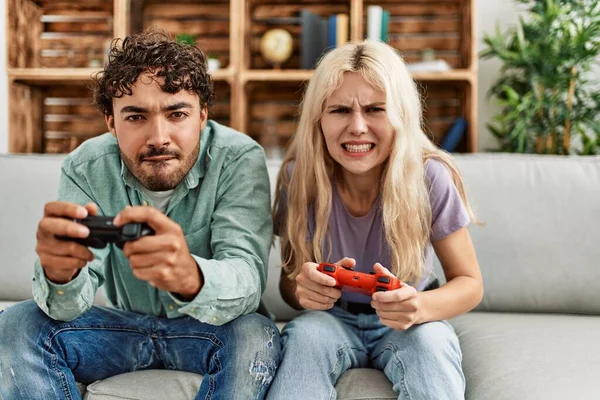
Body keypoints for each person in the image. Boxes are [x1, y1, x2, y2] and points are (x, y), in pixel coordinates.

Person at [0, 30, 280, 400]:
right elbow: (68, 306)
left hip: (213, 333)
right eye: (136, 117)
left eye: (177, 113)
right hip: (122, 331)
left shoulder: (238, 158)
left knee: (255, 334)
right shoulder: (85, 167)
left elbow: (247, 277)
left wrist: (190, 277)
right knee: (17, 323)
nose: (158, 137)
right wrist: (60, 274)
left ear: (202, 116)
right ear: (111, 122)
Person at [266, 40, 483, 400]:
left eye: (375, 109)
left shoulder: (430, 176)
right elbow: (291, 284)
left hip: (410, 321)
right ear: (318, 119)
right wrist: (303, 291)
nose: (357, 127)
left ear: (400, 114)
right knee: (303, 338)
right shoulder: (297, 176)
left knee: (431, 346)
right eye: (338, 110)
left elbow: (470, 283)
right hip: (331, 318)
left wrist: (419, 307)